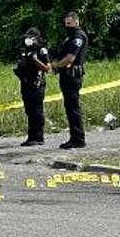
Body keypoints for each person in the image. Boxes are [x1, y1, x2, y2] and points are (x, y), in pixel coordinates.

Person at [51, 11, 88, 149]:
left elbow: (70, 58)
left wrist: (56, 65)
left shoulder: (78, 36)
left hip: (72, 76)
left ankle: (78, 138)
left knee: (73, 107)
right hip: (66, 75)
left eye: (70, 23)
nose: (67, 26)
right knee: (70, 107)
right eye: (66, 23)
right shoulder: (70, 37)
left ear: (76, 22)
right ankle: (75, 136)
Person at [14, 27, 51, 146]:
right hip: (26, 83)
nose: (28, 39)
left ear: (36, 38)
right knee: (29, 110)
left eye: (30, 37)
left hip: (37, 84)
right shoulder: (25, 50)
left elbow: (47, 68)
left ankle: (39, 137)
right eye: (27, 37)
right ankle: (31, 137)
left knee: (37, 111)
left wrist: (35, 60)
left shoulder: (41, 50)